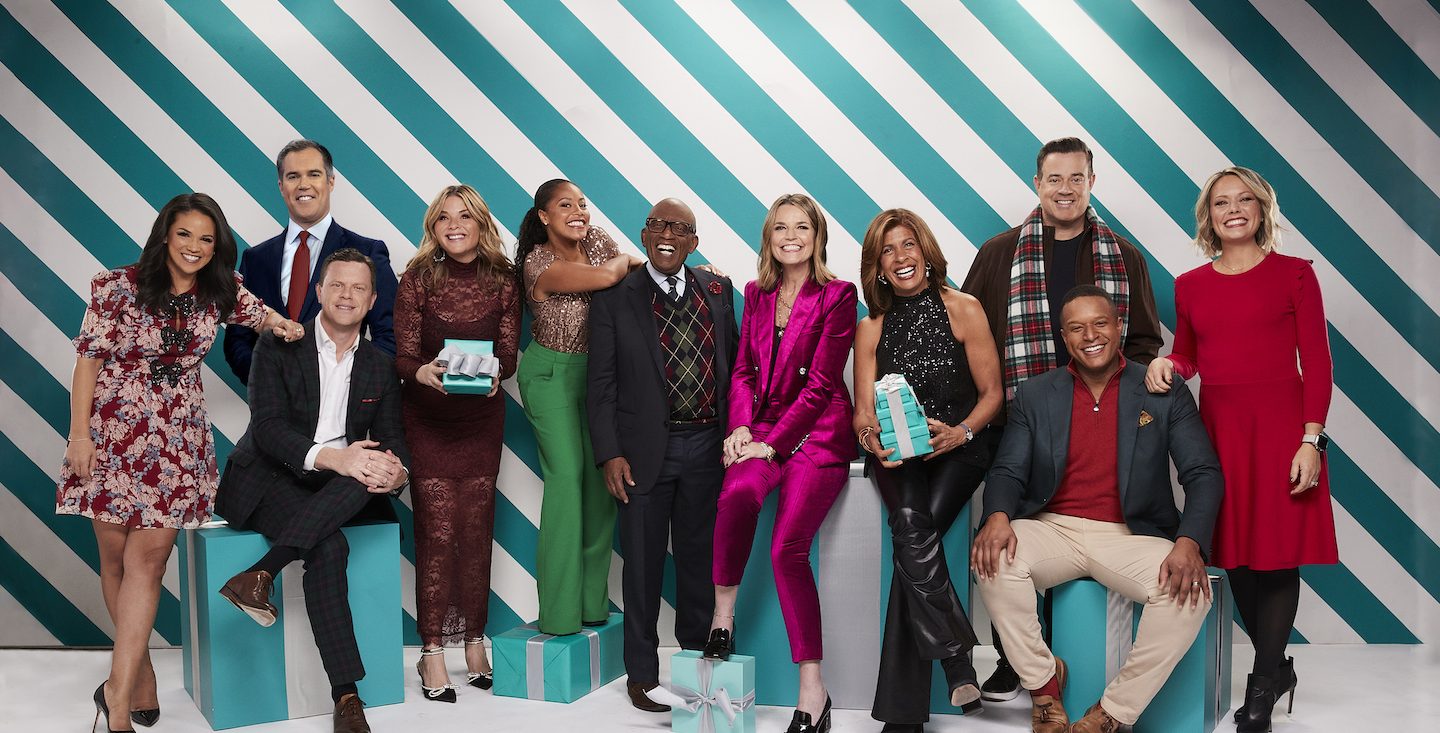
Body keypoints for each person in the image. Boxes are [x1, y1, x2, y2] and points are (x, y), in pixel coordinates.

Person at [57, 193, 301, 733]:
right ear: (165, 234)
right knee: (116, 561)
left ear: (218, 246)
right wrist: (79, 437)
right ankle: (136, 671)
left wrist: (288, 327)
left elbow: (261, 315)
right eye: (185, 234)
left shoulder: (219, 291)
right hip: (114, 435)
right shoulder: (116, 285)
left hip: (177, 443)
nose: (194, 247)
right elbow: (88, 359)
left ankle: (116, 702)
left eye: (206, 238)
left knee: (150, 562)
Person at [960, 136, 1163, 701]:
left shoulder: (1124, 256)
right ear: (1037, 184)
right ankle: (1016, 660)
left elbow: (1143, 341)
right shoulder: (1000, 253)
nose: (1066, 189)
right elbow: (971, 339)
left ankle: (1068, 662)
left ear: (1091, 183)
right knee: (1009, 538)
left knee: (1079, 529)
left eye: (1077, 178)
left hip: (1100, 425)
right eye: (1055, 179)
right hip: (1018, 423)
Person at [971, 285, 1224, 733]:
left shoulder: (1161, 390)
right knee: (992, 559)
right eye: (1077, 328)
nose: (1090, 335)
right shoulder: (1036, 393)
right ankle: (1045, 689)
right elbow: (1008, 470)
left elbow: (1203, 473)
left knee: (1192, 595)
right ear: (1064, 338)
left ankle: (1111, 713)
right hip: (1053, 527)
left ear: (1118, 327)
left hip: (1131, 534)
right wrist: (996, 518)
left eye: (1100, 323)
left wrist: (1189, 542)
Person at [1145, 167, 1336, 733]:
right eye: (1221, 202)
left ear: (1261, 210)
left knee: (1276, 555)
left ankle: (1262, 682)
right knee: (1236, 556)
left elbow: (1318, 364)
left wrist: (1311, 440)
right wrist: (1167, 363)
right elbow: (1191, 357)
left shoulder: (1295, 275)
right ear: (1209, 216)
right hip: (1221, 429)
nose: (1233, 209)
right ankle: (1279, 668)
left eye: (1244, 200)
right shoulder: (1190, 285)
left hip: (1282, 428)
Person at [213, 248, 410, 733]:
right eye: (337, 285)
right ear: (319, 292)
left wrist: (397, 473)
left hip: (335, 486)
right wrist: (338, 458)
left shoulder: (379, 366)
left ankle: (259, 574)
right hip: (268, 477)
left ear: (372, 301)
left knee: (371, 467)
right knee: (330, 544)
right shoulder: (279, 346)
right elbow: (268, 428)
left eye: (358, 288)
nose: (347, 295)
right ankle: (348, 696)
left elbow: (392, 443)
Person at [704, 193, 857, 733]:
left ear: (817, 236)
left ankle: (813, 692)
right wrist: (742, 427)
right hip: (763, 427)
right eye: (779, 229)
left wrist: (776, 442)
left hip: (817, 435)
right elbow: (744, 368)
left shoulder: (838, 295)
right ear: (769, 238)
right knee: (738, 493)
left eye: (802, 228)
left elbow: (820, 384)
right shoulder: (757, 292)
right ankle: (723, 614)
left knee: (786, 548)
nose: (791, 236)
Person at [851, 209, 1003, 731]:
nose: (901, 257)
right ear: (878, 266)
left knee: (912, 538)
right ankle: (957, 658)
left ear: (926, 249)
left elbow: (992, 397)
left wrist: (960, 432)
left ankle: (902, 717)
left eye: (908, 244)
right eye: (888, 250)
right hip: (898, 458)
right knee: (914, 527)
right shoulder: (870, 327)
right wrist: (873, 441)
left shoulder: (964, 309)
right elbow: (862, 413)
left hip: (959, 450)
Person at [587, 198, 740, 713]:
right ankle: (642, 676)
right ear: (644, 235)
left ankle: (697, 665)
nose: (667, 235)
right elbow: (601, 384)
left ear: (694, 242)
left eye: (679, 228)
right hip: (643, 452)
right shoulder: (614, 299)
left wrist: (739, 433)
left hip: (706, 445)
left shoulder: (717, 291)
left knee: (698, 561)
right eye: (657, 226)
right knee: (642, 568)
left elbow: (736, 369)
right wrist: (609, 453)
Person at [394, 185, 520, 701]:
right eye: (443, 217)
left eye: (464, 215)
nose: (453, 224)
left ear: (480, 222)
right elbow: (401, 358)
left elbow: (508, 354)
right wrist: (423, 371)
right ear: (433, 226)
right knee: (437, 534)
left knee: (475, 532)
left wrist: (496, 377)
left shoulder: (503, 281)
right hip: (428, 422)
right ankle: (431, 653)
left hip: (481, 421)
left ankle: (474, 641)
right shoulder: (416, 279)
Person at [516, 179, 643, 635]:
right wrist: (627, 261)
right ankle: (559, 612)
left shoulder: (594, 240)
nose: (578, 212)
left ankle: (592, 605)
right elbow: (614, 275)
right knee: (567, 479)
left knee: (599, 485)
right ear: (544, 217)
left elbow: (639, 272)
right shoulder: (539, 262)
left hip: (597, 378)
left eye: (584, 205)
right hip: (550, 375)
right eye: (565, 205)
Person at [224, 139, 398, 383]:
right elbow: (237, 340)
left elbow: (389, 337)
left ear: (331, 181)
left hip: (344, 411)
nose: (303, 185)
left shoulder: (368, 252)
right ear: (281, 186)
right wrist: (266, 381)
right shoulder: (256, 259)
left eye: (313, 174)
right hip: (271, 411)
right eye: (293, 176)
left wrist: (350, 390)